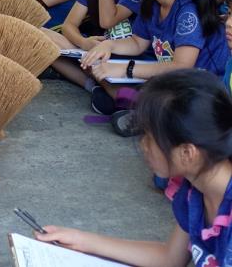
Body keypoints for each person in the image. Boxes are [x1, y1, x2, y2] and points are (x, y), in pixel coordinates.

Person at [36, 69, 232, 267]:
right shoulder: (195, 190)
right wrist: (82, 241)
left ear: (187, 153)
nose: (143, 145)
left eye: (150, 137)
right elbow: (169, 258)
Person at [81, 0, 229, 134]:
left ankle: (143, 112)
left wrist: (126, 69)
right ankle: (140, 110)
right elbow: (137, 43)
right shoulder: (151, 0)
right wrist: (108, 45)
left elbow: (181, 67)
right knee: (104, 67)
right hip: (175, 82)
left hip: (206, 89)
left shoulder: (188, 12)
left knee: (169, 102)